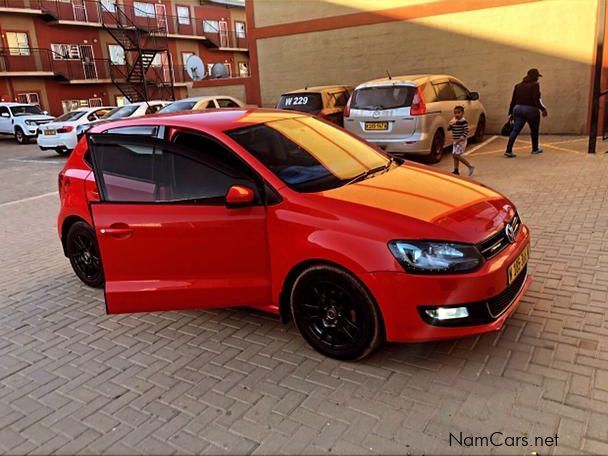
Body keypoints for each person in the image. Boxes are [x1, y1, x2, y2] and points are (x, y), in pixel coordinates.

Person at [504, 68, 548, 157]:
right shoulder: (535, 85)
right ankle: (535, 149)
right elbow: (536, 100)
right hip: (530, 110)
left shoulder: (518, 85)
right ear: (535, 77)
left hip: (518, 108)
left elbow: (513, 100)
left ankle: (508, 150)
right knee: (534, 130)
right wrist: (543, 109)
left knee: (515, 130)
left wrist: (510, 113)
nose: (538, 79)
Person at [448, 105, 474, 176]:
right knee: (454, 156)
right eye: (455, 113)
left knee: (456, 155)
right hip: (455, 140)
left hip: (460, 141)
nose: (457, 114)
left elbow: (466, 131)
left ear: (462, 113)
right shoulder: (454, 121)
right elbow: (449, 129)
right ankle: (456, 170)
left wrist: (459, 140)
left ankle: (470, 166)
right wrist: (450, 125)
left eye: (458, 113)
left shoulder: (463, 121)